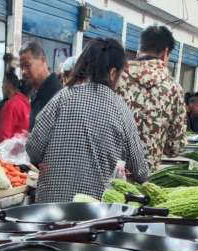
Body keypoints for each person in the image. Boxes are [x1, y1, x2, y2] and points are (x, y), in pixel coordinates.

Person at [27, 38, 147, 204]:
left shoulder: (62, 97)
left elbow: (33, 149)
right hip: (94, 212)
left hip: (51, 208)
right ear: (113, 73)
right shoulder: (120, 109)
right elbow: (140, 170)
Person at [116, 24, 187, 171]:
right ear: (165, 52)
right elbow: (175, 147)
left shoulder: (116, 77)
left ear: (140, 48)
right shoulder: (174, 89)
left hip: (112, 171)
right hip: (146, 176)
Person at [19, 41, 61, 128]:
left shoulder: (57, 96)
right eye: (21, 67)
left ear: (43, 60)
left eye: (27, 65)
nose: (23, 72)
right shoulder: (37, 93)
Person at [0, 67, 29, 142]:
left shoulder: (11, 105)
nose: (2, 87)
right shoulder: (25, 101)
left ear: (9, 85)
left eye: (3, 83)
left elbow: (4, 136)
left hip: (11, 148)